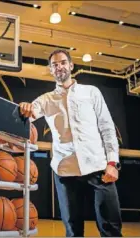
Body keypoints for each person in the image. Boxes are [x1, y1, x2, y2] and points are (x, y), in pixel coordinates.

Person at [19, 49, 122, 237]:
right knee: (73, 232)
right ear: (50, 70)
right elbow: (27, 114)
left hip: (99, 167)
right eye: (55, 65)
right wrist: (25, 108)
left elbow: (107, 128)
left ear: (71, 65)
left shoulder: (92, 92)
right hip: (65, 171)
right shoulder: (45, 100)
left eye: (63, 62)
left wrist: (113, 163)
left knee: (111, 229)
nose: (59, 67)